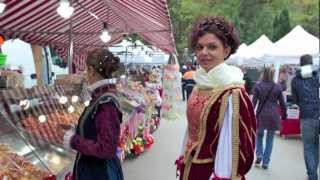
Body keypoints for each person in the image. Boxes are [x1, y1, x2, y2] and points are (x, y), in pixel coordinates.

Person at [176, 16, 256, 180]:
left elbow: (237, 148)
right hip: (189, 168)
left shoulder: (232, 92)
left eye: (212, 47)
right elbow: (191, 130)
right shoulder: (199, 84)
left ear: (226, 51)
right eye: (200, 47)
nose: (204, 52)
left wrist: (221, 176)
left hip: (211, 173)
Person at [61, 49, 124, 180]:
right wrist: (78, 129)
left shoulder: (106, 102)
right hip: (92, 170)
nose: (86, 74)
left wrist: (73, 140)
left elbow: (106, 149)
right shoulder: (100, 96)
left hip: (99, 173)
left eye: (86, 70)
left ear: (91, 70)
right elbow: (97, 128)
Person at [252, 66, 287, 169]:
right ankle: (266, 162)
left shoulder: (258, 86)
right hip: (273, 115)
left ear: (264, 73)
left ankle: (259, 155)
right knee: (270, 139)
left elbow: (253, 103)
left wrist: (250, 115)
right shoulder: (277, 87)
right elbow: (282, 103)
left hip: (261, 115)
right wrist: (284, 115)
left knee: (259, 136)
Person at [291, 54, 319, 180]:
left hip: (306, 116)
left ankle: (312, 175)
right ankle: (313, 172)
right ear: (311, 63)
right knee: (316, 145)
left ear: (301, 64)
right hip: (318, 114)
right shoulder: (317, 76)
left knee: (308, 146)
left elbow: (295, 99)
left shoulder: (295, 80)